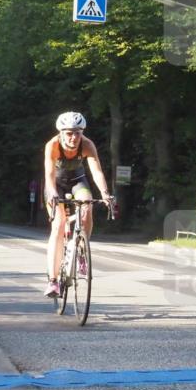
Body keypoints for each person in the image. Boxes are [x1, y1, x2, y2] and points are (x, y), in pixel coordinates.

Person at [43, 112, 112, 297]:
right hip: (56, 184)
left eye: (77, 133)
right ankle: (53, 280)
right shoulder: (52, 145)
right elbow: (49, 175)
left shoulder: (87, 145)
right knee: (58, 225)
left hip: (78, 181)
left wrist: (105, 194)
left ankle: (81, 250)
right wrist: (52, 194)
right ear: (61, 133)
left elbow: (96, 172)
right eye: (69, 133)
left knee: (87, 206)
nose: (73, 137)